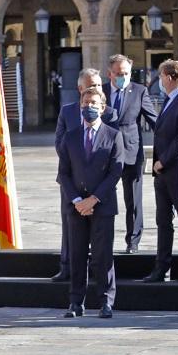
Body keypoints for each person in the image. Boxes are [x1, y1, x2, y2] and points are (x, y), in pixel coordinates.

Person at [58, 87, 122, 318]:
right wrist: (77, 200)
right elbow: (63, 173)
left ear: (103, 108)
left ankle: (106, 301)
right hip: (75, 207)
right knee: (77, 254)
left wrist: (93, 199)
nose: (89, 107)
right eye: (85, 103)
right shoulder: (71, 135)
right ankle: (76, 302)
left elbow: (116, 172)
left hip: (102, 205)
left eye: (94, 103)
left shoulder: (113, 136)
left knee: (102, 255)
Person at [51, 68, 106, 282]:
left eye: (98, 85)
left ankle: (96, 268)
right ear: (80, 88)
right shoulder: (68, 111)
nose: (95, 89)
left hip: (99, 182)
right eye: (91, 85)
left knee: (100, 228)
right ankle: (67, 266)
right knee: (70, 224)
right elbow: (60, 143)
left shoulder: (107, 112)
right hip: (72, 180)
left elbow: (110, 145)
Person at [146, 60, 178, 283]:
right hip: (163, 173)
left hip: (177, 171)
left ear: (170, 77)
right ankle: (161, 267)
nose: (159, 80)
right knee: (163, 221)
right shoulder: (170, 99)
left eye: (160, 76)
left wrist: (162, 161)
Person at [102, 54, 157, 254]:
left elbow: (154, 121)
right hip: (105, 152)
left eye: (126, 73)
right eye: (118, 73)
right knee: (101, 197)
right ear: (110, 74)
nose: (122, 77)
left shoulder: (139, 91)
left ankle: (133, 241)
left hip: (131, 151)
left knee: (133, 199)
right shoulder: (102, 91)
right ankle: (100, 240)